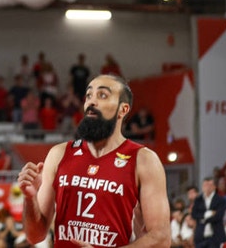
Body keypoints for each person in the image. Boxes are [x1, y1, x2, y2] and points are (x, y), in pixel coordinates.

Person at [17, 74, 171, 247]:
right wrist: (30, 199)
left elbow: (161, 238)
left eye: (102, 95)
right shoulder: (59, 154)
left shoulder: (144, 160)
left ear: (123, 109)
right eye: (89, 95)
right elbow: (35, 236)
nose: (92, 101)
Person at [191, 177, 226, 248]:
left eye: (209, 185)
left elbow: (219, 216)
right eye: (205, 185)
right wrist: (208, 214)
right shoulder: (198, 200)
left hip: (216, 235)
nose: (207, 187)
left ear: (214, 187)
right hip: (200, 236)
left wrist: (202, 219)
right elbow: (194, 214)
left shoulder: (220, 200)